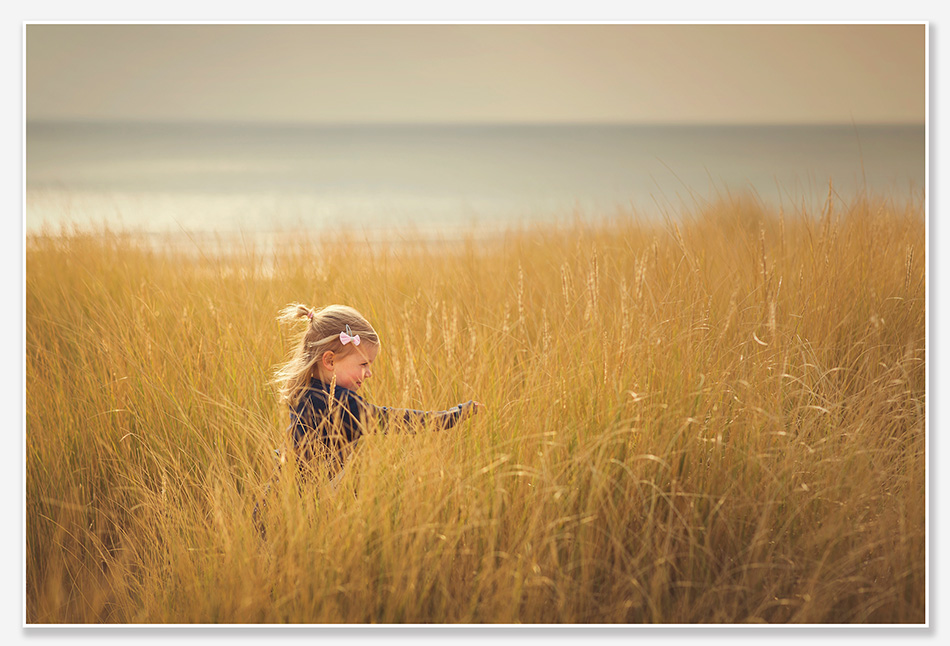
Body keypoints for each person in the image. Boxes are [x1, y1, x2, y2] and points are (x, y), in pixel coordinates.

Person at [253, 303, 479, 534]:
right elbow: (393, 419)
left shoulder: (307, 390)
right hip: (292, 513)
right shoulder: (341, 403)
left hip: (274, 503)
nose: (369, 373)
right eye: (363, 364)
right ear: (329, 361)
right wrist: (450, 417)